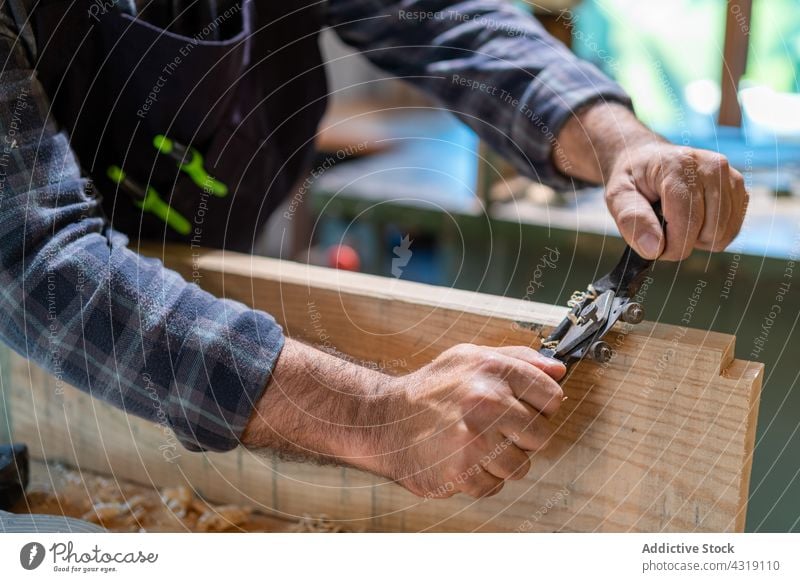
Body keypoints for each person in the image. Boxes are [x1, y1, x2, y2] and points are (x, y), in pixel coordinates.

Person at [0, 0, 747, 500]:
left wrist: (620, 140)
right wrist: (377, 418)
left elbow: (445, 19)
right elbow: (31, 259)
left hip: (209, 274)